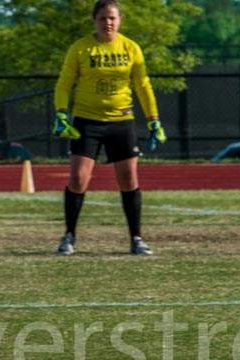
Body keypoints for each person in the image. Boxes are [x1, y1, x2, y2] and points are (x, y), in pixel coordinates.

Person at [51, 0, 166, 256]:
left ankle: (136, 238)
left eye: (112, 18)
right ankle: (69, 236)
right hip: (87, 121)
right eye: (103, 18)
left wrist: (153, 118)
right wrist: (61, 113)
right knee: (78, 178)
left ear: (120, 20)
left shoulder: (130, 48)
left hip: (121, 121)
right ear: (94, 20)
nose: (108, 23)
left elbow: (143, 85)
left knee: (128, 179)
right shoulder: (81, 48)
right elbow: (64, 83)